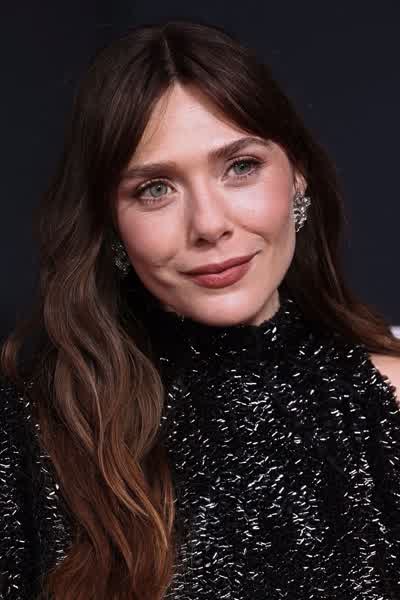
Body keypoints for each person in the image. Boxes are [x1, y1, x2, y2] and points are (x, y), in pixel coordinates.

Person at [1, 18, 400, 600]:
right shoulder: (36, 433)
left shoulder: (389, 402)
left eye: (241, 167)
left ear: (298, 175)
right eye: (155, 189)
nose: (209, 225)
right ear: (111, 224)